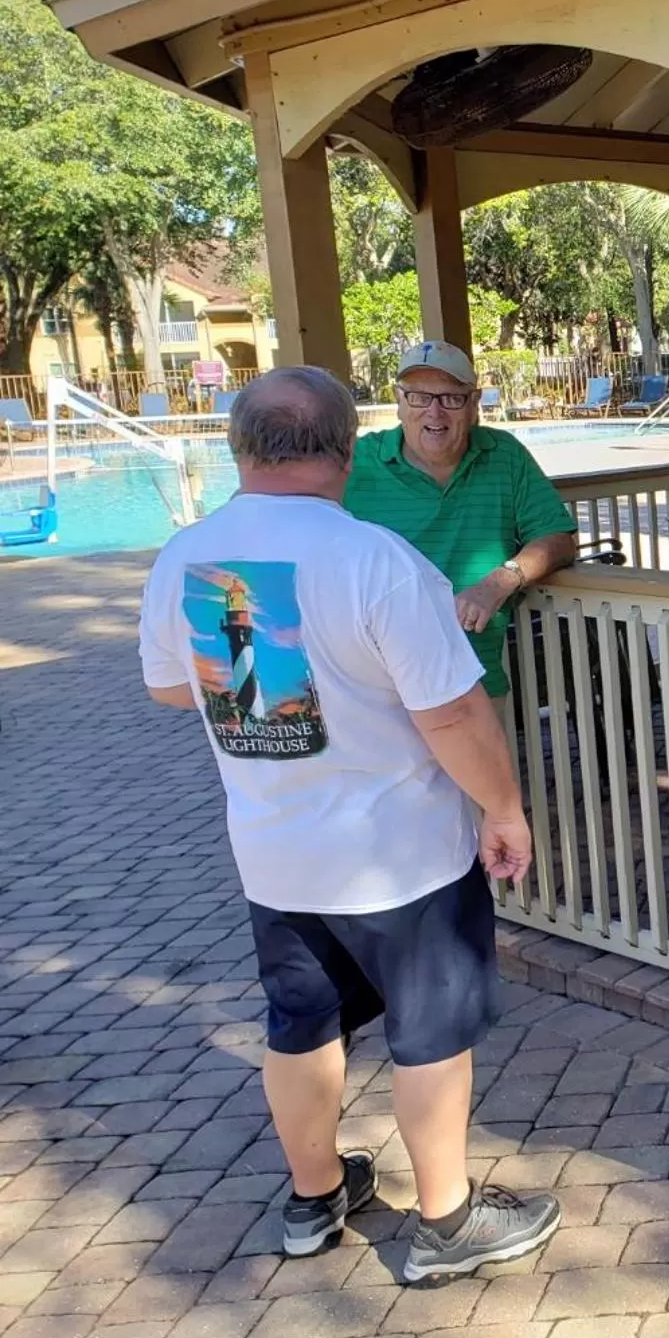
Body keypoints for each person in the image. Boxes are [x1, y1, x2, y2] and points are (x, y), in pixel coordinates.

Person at [138, 367, 562, 1285]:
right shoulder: (376, 560)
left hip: (274, 852)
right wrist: (503, 807)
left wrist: (272, 680)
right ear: (343, 448)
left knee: (299, 1024)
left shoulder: (188, 557)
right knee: (429, 1032)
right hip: (400, 857)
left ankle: (314, 1194)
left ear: (238, 448)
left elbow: (173, 687)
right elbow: (452, 714)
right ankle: (446, 1220)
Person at [344, 341, 576, 722]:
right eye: (418, 397)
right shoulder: (355, 462)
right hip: (376, 691)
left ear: (473, 403)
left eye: (450, 398)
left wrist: (500, 581)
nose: (434, 412)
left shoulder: (504, 455)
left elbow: (558, 539)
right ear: (398, 401)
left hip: (473, 684)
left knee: (484, 785)